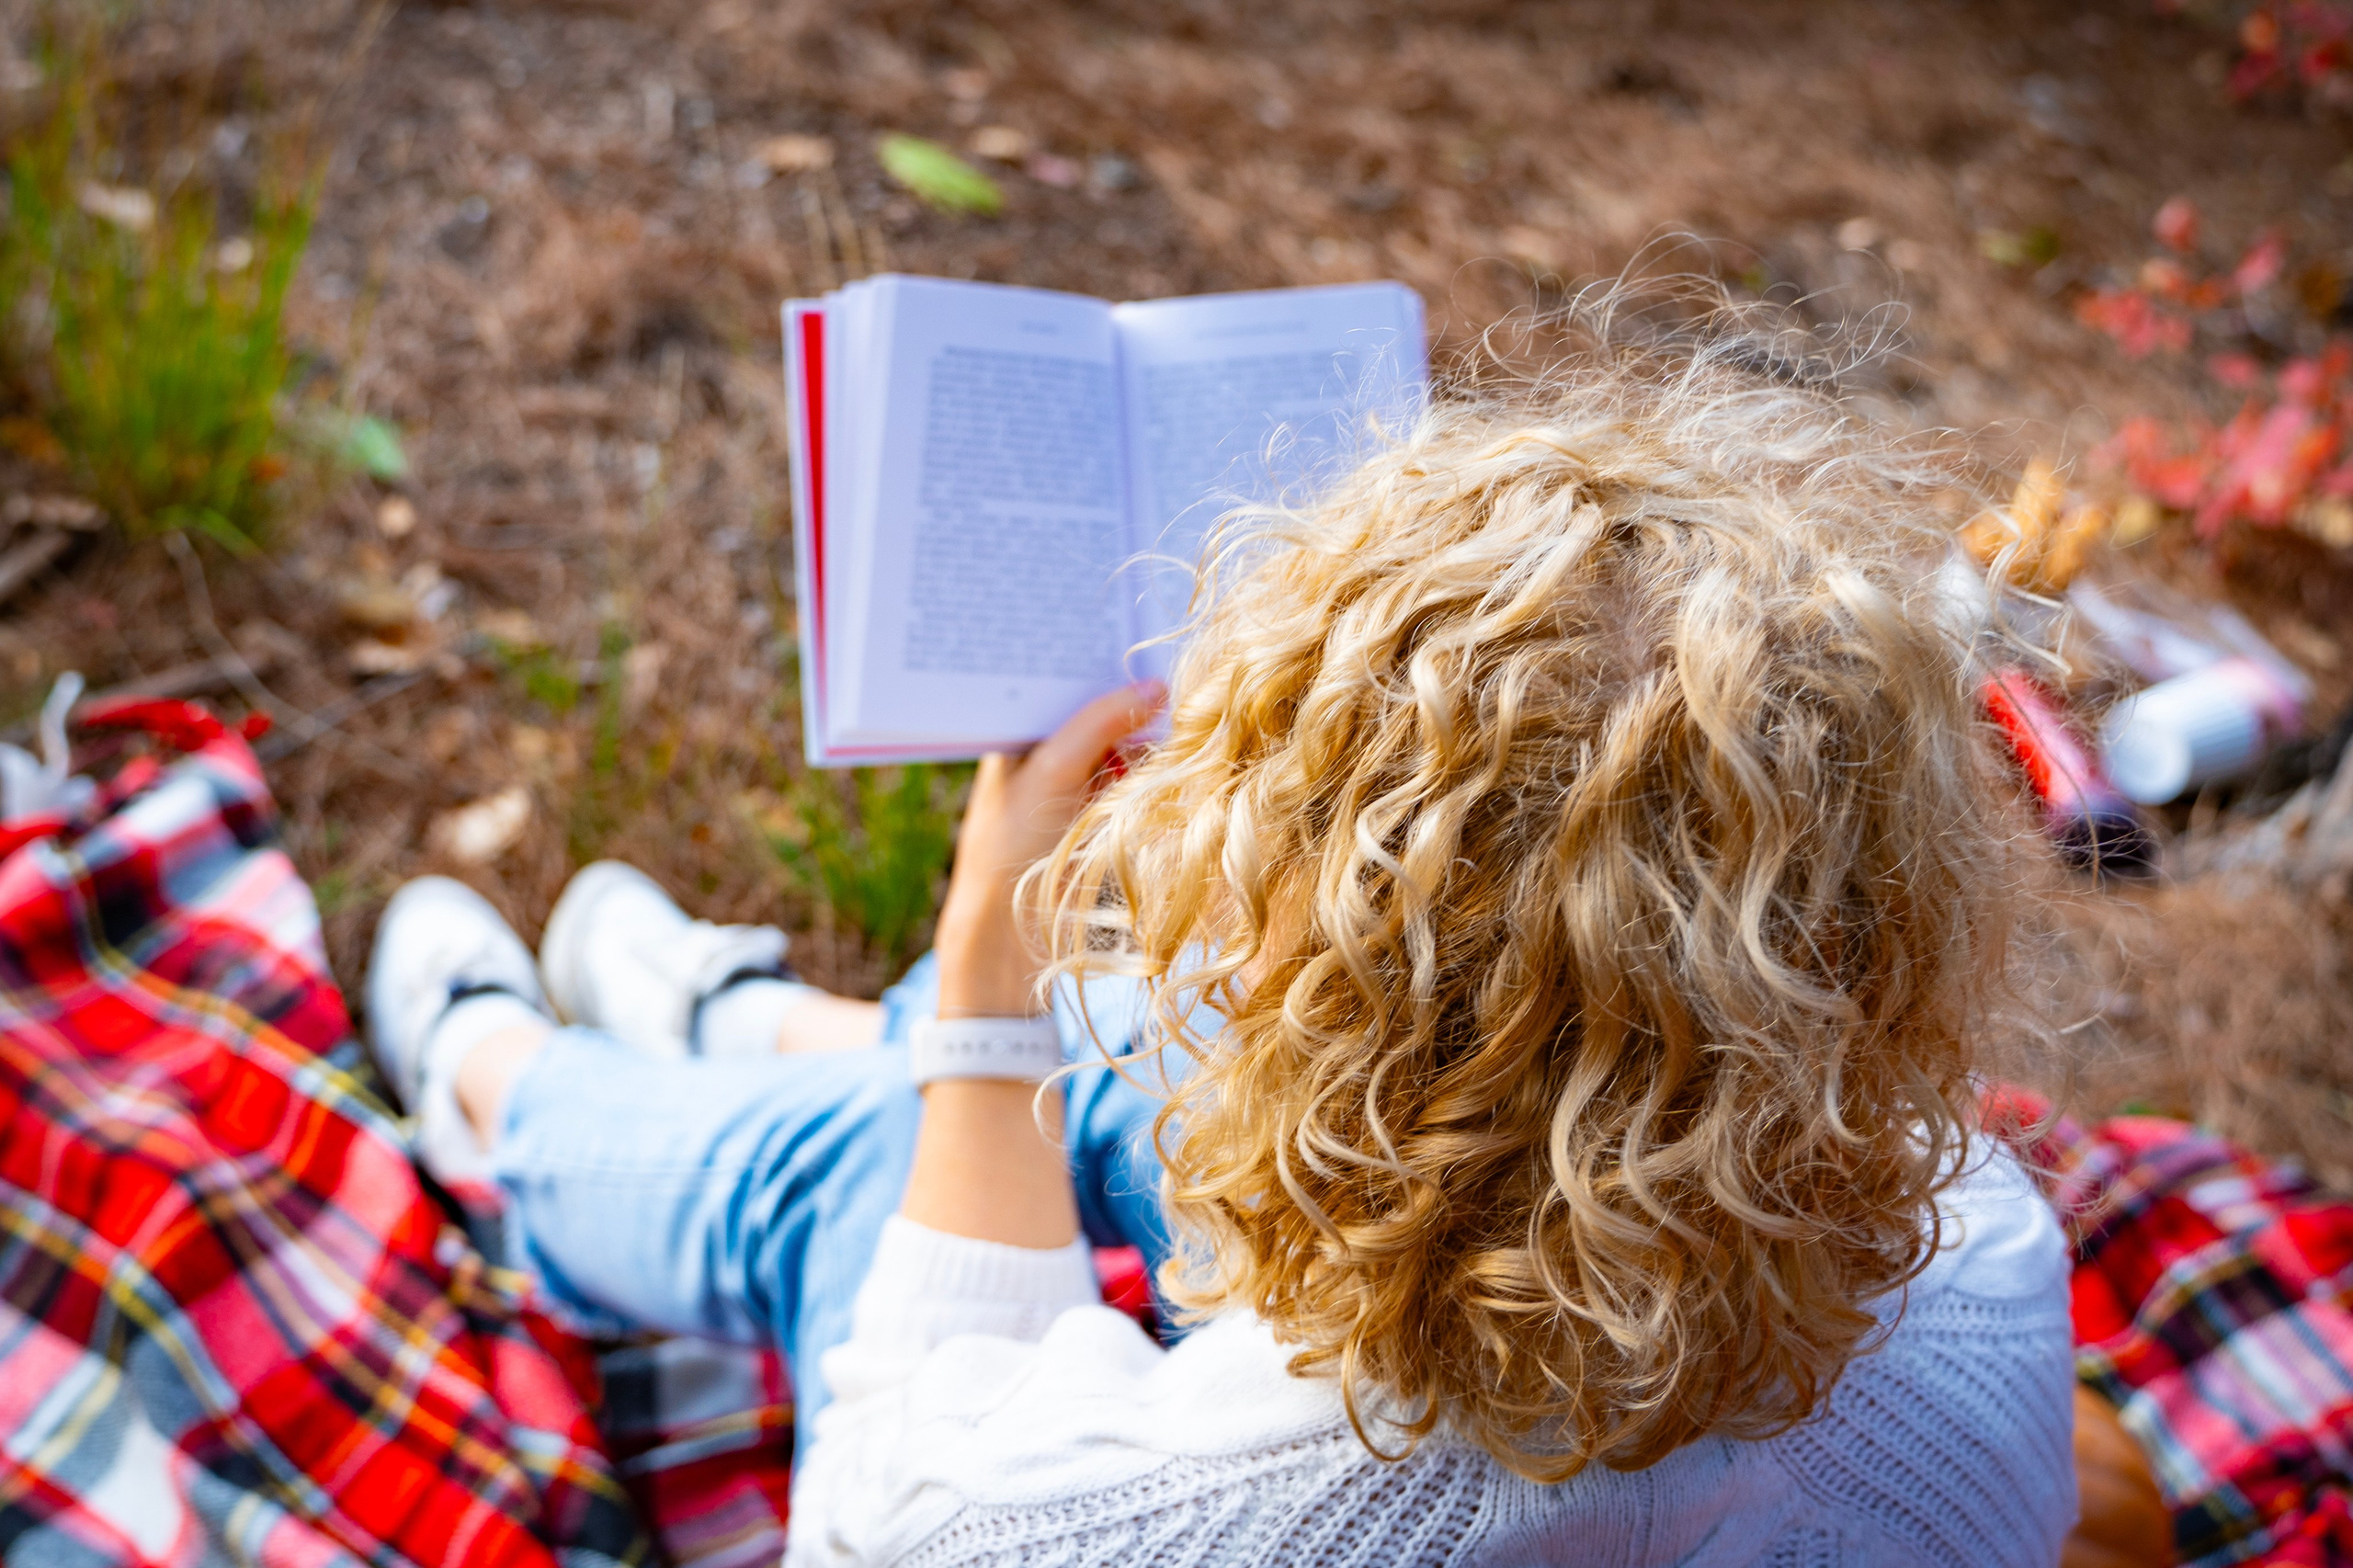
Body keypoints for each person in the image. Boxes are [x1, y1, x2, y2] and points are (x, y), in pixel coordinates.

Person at [367, 310, 2081, 1566]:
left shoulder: (1100, 1523)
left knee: (891, 1154)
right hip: (1653, 1279)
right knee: (1129, 1043)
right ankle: (745, 1021)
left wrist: (982, 968)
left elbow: (878, 1503)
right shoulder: (1992, 1273)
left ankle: (500, 1091)